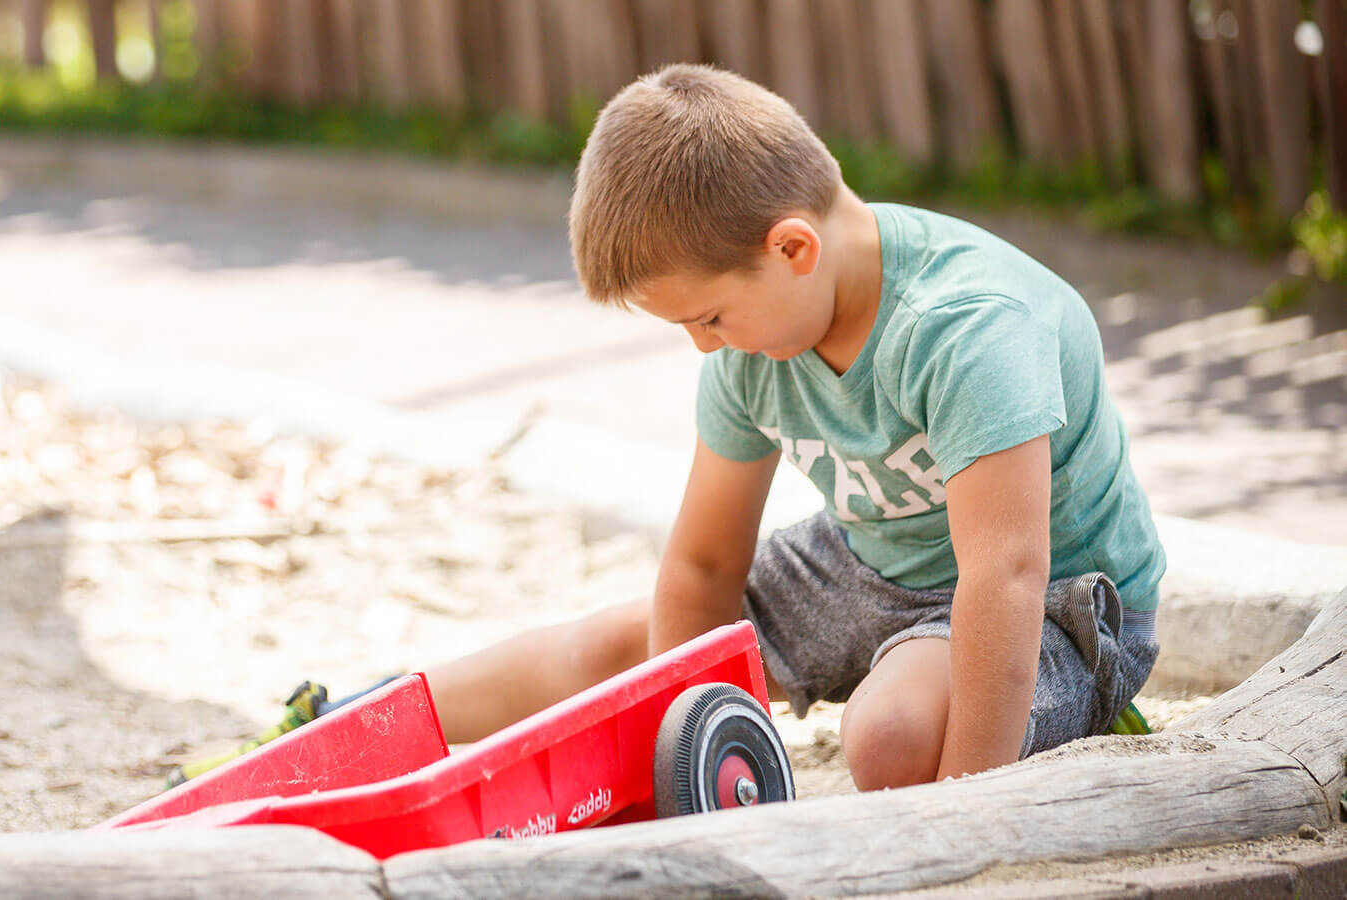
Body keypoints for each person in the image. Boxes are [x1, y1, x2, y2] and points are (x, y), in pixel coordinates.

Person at [182, 63, 1162, 792]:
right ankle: (348, 725)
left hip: (1055, 601)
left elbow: (1008, 572)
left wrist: (973, 815)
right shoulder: (756, 341)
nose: (703, 349)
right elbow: (700, 571)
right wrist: (683, 755)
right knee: (630, 643)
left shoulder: (964, 331)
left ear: (793, 247)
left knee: (893, 739)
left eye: (707, 318)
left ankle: (1069, 719)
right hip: (875, 556)